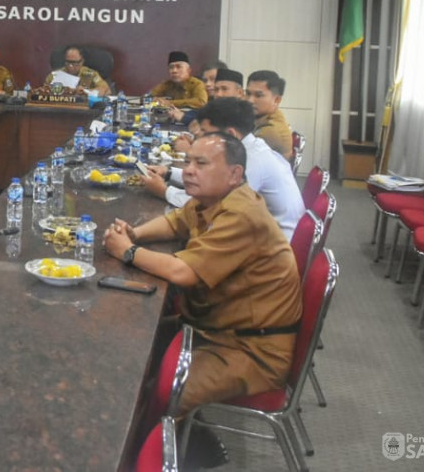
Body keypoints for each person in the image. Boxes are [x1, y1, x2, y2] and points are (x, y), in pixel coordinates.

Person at [101, 132, 301, 415]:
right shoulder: (212, 198)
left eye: (201, 164)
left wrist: (128, 252)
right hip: (215, 327)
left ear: (235, 174)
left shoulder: (241, 213)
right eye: (189, 161)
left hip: (251, 350)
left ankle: (174, 448)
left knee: (159, 390)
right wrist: (135, 234)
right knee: (126, 348)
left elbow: (184, 272)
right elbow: (175, 223)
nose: (189, 171)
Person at [143, 98, 305, 237]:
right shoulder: (250, 147)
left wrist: (164, 191)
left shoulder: (250, 162)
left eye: (205, 131)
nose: (199, 136)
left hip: (269, 250)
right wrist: (169, 173)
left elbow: (212, 206)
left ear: (231, 135)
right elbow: (212, 181)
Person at [246, 69, 293, 160]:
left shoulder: (270, 131)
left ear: (276, 100)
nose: (250, 100)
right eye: (248, 94)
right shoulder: (267, 118)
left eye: (258, 95)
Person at [167, 60, 225, 124]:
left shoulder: (229, 104)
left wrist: (184, 117)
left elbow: (213, 123)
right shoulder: (207, 99)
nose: (208, 84)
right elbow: (198, 113)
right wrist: (180, 113)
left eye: (213, 79)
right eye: (205, 80)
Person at [45, 45, 111, 96]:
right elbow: (44, 92)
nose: (70, 66)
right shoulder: (54, 75)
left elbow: (106, 90)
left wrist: (85, 92)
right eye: (68, 62)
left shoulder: (90, 74)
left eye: (75, 63)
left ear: (82, 61)